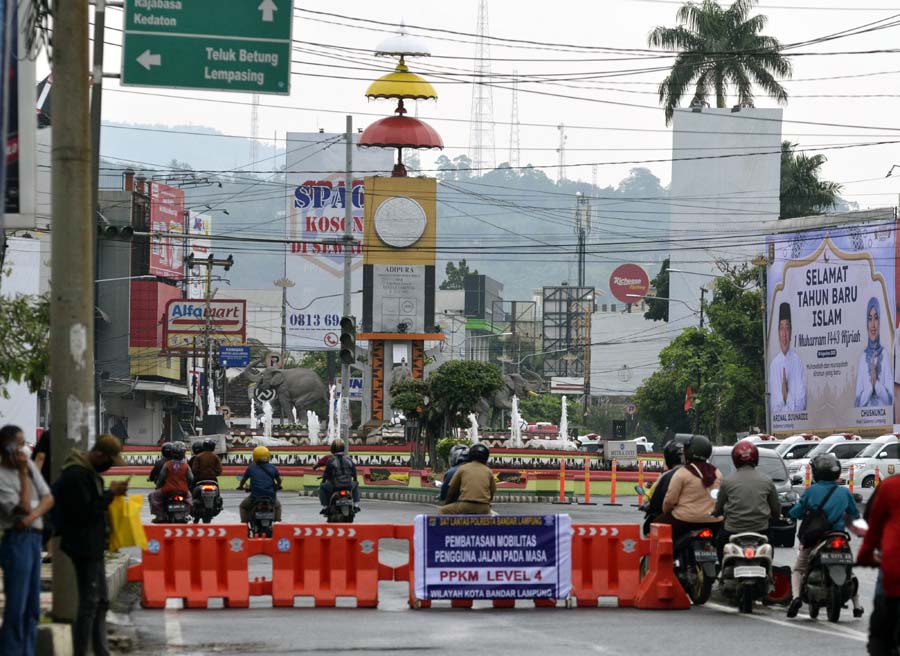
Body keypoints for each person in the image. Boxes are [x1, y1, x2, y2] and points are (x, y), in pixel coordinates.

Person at [54, 434, 128, 656]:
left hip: (93, 545)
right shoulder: (76, 475)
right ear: (98, 454)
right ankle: (81, 651)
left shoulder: (87, 473)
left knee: (101, 601)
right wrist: (110, 494)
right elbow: (85, 512)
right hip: (83, 545)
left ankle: (100, 650)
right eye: (109, 461)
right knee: (89, 603)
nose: (109, 466)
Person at [786, 452, 863, 619]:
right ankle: (857, 605)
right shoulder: (844, 492)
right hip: (839, 536)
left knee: (799, 568)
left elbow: (796, 512)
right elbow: (855, 515)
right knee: (849, 569)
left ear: (816, 472)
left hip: (816, 538)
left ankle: (796, 598)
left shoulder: (811, 491)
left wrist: (791, 513)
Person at [0, 425, 54, 655]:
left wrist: (31, 517)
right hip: (17, 541)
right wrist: (22, 475)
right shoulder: (4, 476)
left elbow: (48, 498)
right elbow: (22, 507)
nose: (24, 449)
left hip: (33, 538)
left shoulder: (29, 466)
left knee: (32, 608)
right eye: (19, 444)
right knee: (17, 607)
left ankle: (27, 651)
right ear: (7, 447)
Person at [713, 440, 780, 560]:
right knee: (770, 545)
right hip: (761, 529)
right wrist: (775, 517)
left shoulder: (727, 481)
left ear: (735, 459)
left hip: (732, 529)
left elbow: (719, 507)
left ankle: (722, 568)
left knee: (720, 545)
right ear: (756, 458)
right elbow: (775, 507)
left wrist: (716, 513)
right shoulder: (767, 480)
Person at [857, 474, 900, 655]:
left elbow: (872, 524)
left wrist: (865, 555)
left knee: (880, 629)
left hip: (894, 567)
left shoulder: (890, 486)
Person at [660, 436, 723, 540]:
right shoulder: (717, 472)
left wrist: (665, 511)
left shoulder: (682, 473)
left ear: (689, 451)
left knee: (657, 523)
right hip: (714, 522)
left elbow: (670, 501)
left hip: (686, 521)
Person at [769, 302, 807, 413]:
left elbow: (802, 404)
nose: (784, 334)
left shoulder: (797, 362)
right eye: (781, 328)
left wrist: (786, 397)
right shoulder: (774, 365)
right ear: (778, 333)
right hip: (780, 424)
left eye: (787, 328)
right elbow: (774, 408)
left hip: (797, 423)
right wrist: (789, 403)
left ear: (791, 333)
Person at [856, 297, 892, 408]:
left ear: (880, 322)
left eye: (876, 318)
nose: (873, 325)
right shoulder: (863, 358)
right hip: (865, 419)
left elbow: (890, 400)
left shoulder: (884, 355)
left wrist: (876, 384)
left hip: (882, 418)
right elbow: (857, 402)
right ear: (866, 323)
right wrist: (870, 388)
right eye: (869, 318)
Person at [440, 443, 496, 515]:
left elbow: (452, 489)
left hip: (465, 506)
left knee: (442, 510)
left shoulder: (463, 468)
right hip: (484, 508)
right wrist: (487, 503)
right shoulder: (488, 471)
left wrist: (446, 503)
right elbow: (492, 491)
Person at [149, 442, 193, 523]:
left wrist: (158, 487)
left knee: (153, 496)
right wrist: (188, 487)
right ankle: (187, 514)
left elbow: (161, 477)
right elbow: (190, 478)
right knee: (189, 499)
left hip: (168, 490)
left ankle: (160, 516)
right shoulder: (186, 466)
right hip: (183, 490)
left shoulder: (167, 464)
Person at [238, 446, 282, 523]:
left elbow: (243, 480)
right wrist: (277, 486)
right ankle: (277, 522)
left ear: (255, 457)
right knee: (278, 506)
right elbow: (279, 480)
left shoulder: (251, 468)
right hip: (270, 497)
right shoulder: (272, 467)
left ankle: (244, 525)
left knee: (243, 506)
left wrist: (240, 486)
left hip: (255, 497)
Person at [318, 439, 360, 513]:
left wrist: (323, 481)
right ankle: (356, 505)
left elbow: (326, 474)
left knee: (322, 487)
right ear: (343, 448)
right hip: (348, 485)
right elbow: (354, 472)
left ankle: (325, 507)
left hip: (335, 486)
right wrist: (355, 480)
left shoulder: (331, 460)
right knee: (356, 484)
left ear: (333, 449)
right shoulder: (348, 459)